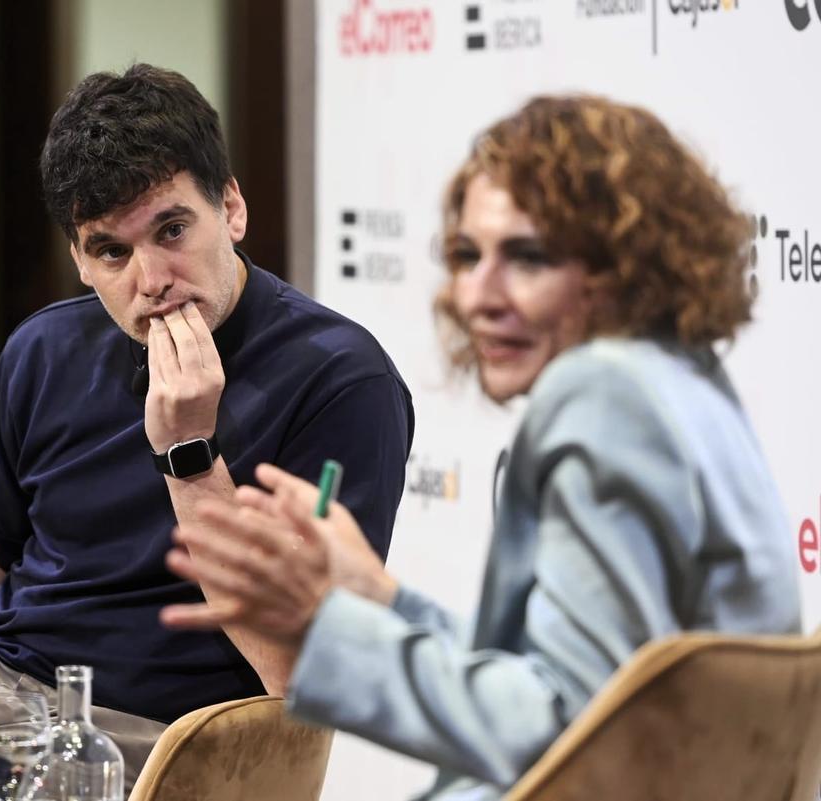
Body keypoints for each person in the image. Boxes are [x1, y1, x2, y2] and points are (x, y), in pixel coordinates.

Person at [0, 64, 414, 800]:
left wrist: (191, 456)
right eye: (112, 250)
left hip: (170, 729)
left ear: (231, 208)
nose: (152, 279)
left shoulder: (340, 379)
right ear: (80, 259)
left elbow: (301, 671)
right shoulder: (42, 351)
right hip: (10, 686)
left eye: (172, 229)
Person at [161, 94, 801, 800]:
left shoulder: (602, 395)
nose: (479, 296)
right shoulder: (682, 379)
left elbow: (567, 732)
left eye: (528, 258)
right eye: (468, 255)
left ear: (624, 264)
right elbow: (580, 678)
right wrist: (383, 599)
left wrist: (325, 626)